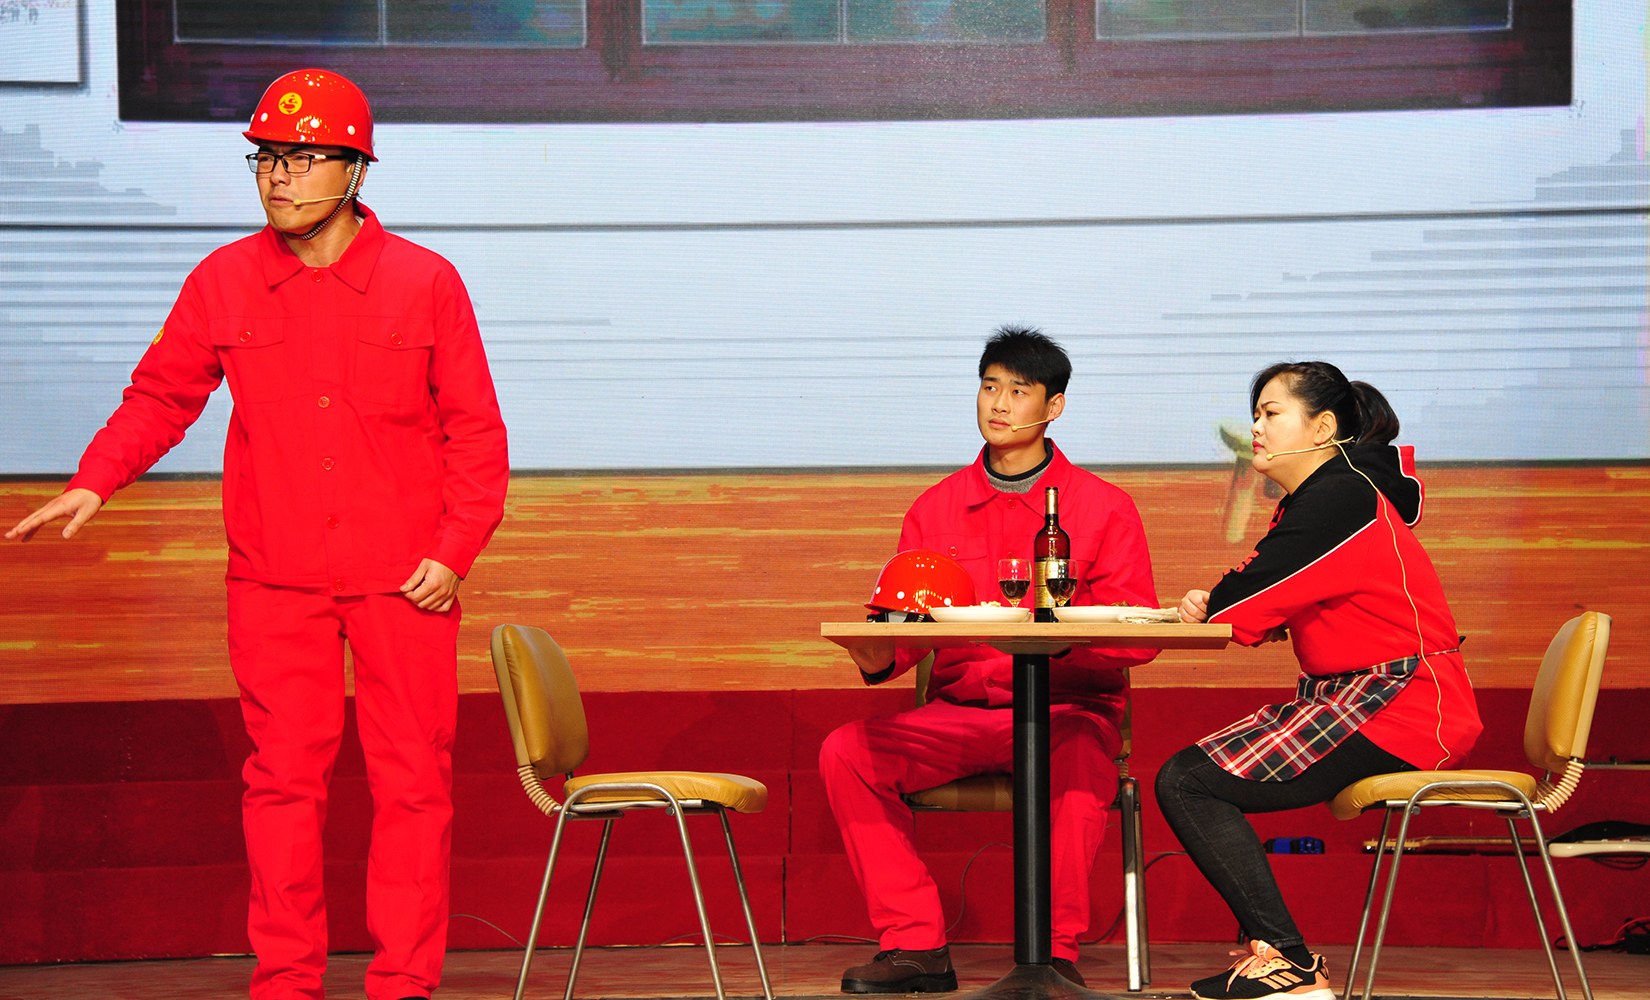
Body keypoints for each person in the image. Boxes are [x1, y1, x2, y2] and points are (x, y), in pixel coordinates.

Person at [5, 70, 509, 1000]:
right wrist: (95, 479)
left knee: (413, 785)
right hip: (276, 581)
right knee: (281, 785)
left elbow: (475, 432)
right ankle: (284, 981)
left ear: (356, 171)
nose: (279, 177)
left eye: (303, 158)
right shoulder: (224, 280)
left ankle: (404, 982)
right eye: (267, 158)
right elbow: (161, 397)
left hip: (404, 579)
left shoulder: (425, 282)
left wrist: (454, 549)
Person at [819, 326, 1159, 993]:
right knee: (847, 752)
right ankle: (915, 945)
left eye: (1019, 391)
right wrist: (874, 648)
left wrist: (1068, 637)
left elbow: (1139, 636)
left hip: (1066, 711)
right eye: (989, 386)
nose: (999, 404)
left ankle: (1050, 955)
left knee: (1078, 763)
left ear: (1054, 407)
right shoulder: (934, 509)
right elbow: (905, 629)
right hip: (961, 714)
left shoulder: (1103, 507)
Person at [1164, 361, 1481, 1000]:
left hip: (1403, 703)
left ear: (1323, 427)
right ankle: (1281, 959)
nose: (1255, 428)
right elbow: (1276, 595)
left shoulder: (1340, 495)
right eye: (1255, 414)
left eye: (1271, 413)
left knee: (1188, 782)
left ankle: (1288, 964)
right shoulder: (1332, 495)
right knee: (1189, 779)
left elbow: (1245, 599)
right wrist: (1237, 607)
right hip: (1367, 697)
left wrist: (1220, 604)